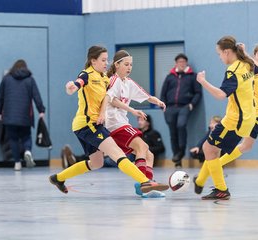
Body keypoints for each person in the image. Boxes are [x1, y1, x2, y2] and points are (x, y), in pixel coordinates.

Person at [48, 46, 169, 195]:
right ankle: (145, 182)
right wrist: (71, 87)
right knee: (118, 154)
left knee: (97, 163)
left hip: (92, 124)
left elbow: (108, 97)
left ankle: (58, 178)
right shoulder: (87, 74)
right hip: (88, 124)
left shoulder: (105, 78)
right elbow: (78, 84)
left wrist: (104, 112)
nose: (107, 63)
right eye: (103, 60)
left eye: (107, 60)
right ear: (93, 61)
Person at [194, 43, 258, 188]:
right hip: (255, 114)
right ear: (254, 56)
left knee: (246, 146)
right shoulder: (251, 70)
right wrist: (244, 53)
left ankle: (209, 170)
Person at [193, 36, 258, 200]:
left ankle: (221, 189)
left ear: (227, 52)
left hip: (236, 120)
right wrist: (245, 53)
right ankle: (200, 181)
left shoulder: (233, 71)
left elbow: (221, 94)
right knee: (212, 149)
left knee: (209, 149)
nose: (220, 57)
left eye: (219, 54)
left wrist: (202, 81)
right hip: (248, 116)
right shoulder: (247, 64)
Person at [105, 50, 167, 197]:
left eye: (131, 64)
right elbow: (111, 99)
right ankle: (144, 183)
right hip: (113, 123)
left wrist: (156, 101)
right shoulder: (114, 80)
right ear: (117, 65)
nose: (129, 67)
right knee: (143, 146)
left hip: (122, 123)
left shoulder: (128, 82)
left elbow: (144, 95)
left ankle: (146, 186)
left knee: (149, 155)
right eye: (126, 64)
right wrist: (132, 110)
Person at [0, 59, 45, 171]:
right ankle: (27, 151)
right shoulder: (30, 80)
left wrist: (0, 112)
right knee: (26, 136)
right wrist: (41, 110)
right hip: (25, 115)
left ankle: (17, 163)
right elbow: (36, 96)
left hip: (9, 115)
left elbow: (0, 97)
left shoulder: (6, 79)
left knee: (13, 139)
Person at [160, 53, 202, 167]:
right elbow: (163, 92)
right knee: (173, 133)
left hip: (184, 107)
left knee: (181, 125)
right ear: (176, 63)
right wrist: (163, 106)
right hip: (170, 108)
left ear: (186, 63)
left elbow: (198, 92)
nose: (182, 63)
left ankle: (181, 152)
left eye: (183, 61)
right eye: (179, 62)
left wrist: (191, 105)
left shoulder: (192, 76)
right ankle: (177, 159)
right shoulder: (170, 76)